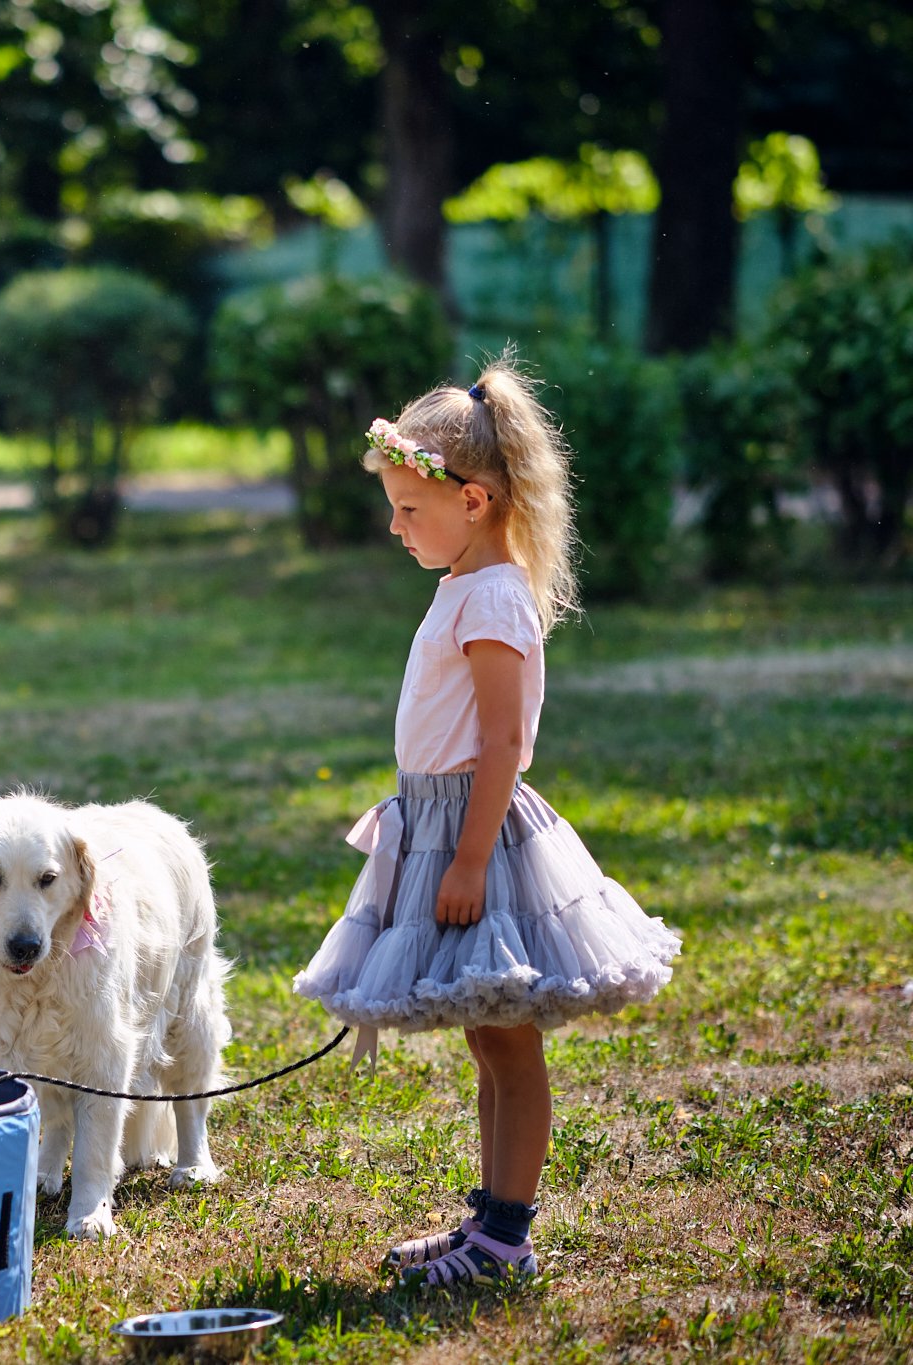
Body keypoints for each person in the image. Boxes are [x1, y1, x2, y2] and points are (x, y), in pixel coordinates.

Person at [292, 357, 682, 1286]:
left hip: (479, 834)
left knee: (508, 1039)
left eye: (409, 509)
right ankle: (490, 1219)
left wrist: (468, 862)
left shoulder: (496, 595)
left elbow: (505, 743)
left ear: (473, 500)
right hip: (437, 823)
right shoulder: (464, 581)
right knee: (486, 1034)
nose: (395, 526)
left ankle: (507, 1238)